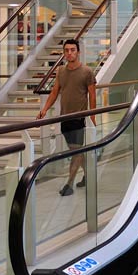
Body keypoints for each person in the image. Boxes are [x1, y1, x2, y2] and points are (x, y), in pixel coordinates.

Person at [37, 39, 97, 196]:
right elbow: (55, 91)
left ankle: (69, 184)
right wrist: (44, 109)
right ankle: (89, 176)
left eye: (72, 50)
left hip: (79, 118)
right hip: (64, 118)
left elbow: (92, 95)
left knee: (75, 152)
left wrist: (92, 116)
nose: (69, 53)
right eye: (67, 50)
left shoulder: (87, 72)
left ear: (78, 52)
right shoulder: (61, 71)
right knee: (76, 150)